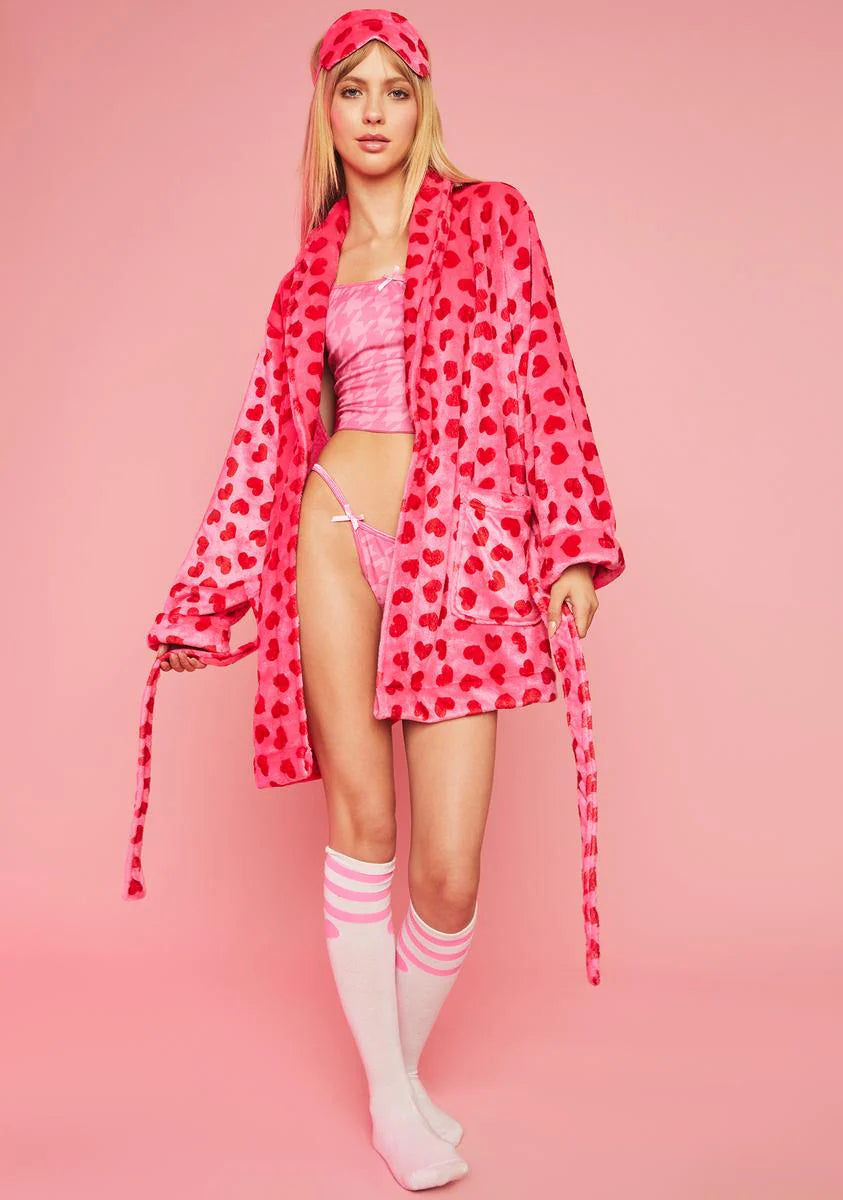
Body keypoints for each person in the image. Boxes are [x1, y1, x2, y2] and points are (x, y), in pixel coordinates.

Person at [127, 8, 625, 1192]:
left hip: (462, 549)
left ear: (423, 105)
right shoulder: (311, 269)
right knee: (365, 822)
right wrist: (209, 599)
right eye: (351, 90)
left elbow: (546, 376)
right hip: (334, 531)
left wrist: (570, 546)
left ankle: (390, 1079)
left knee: (449, 870)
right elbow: (264, 438)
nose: (373, 113)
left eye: (395, 90)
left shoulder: (492, 218)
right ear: (326, 108)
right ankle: (396, 1106)